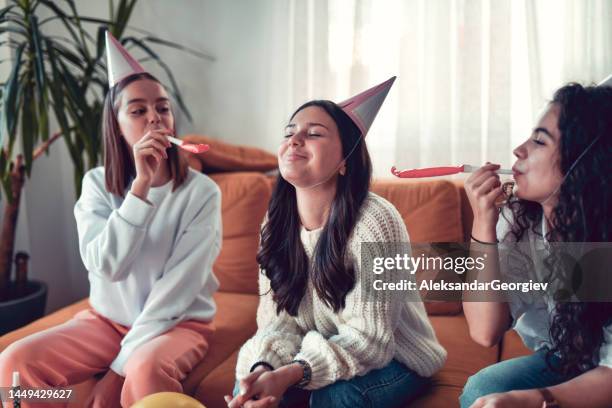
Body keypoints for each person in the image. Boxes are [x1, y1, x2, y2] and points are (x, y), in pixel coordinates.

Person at [0, 32, 221, 408]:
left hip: (178, 323)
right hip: (106, 322)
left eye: (163, 108)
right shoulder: (96, 185)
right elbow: (106, 267)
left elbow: (176, 293)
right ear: (117, 126)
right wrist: (140, 190)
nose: (155, 117)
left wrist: (119, 370)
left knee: (145, 369)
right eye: (138, 110)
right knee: (15, 364)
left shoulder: (201, 193)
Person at [226, 77, 447, 408]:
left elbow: (371, 342)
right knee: (254, 386)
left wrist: (290, 374)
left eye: (314, 133)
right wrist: (264, 369)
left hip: (394, 358)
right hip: (321, 353)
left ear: (345, 161)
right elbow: (277, 324)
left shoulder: (375, 222)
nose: (295, 139)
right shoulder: (276, 223)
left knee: (334, 398)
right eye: (289, 132)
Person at [461, 82, 612, 407]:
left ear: (584, 162)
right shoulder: (520, 219)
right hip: (567, 358)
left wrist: (535, 399)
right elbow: (485, 331)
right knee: (482, 389)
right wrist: (483, 222)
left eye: (539, 141)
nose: (518, 149)